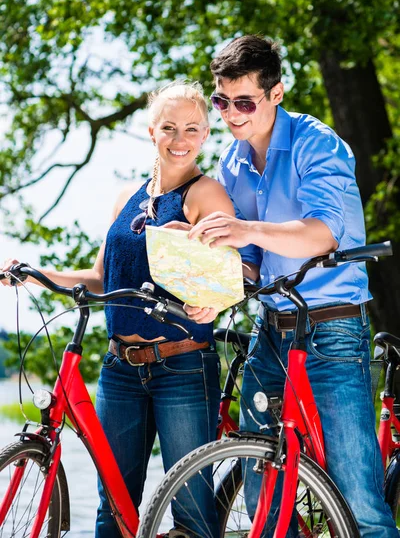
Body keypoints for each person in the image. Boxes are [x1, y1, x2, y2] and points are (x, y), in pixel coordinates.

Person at [1, 81, 235, 538]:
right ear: (151, 131)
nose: (179, 138)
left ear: (206, 134)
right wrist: (35, 273)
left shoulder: (206, 195)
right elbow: (101, 277)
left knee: (191, 510)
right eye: (168, 127)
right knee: (113, 508)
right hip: (120, 368)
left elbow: (231, 273)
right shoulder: (126, 197)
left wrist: (215, 299)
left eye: (191, 128)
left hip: (182, 364)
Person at [186, 36, 398, 537]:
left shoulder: (316, 142)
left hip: (334, 328)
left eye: (244, 102)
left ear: (276, 93)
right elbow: (252, 265)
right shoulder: (232, 163)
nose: (232, 115)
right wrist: (208, 276)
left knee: (358, 498)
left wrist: (243, 230)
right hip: (272, 331)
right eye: (222, 102)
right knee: (261, 479)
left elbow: (323, 233)